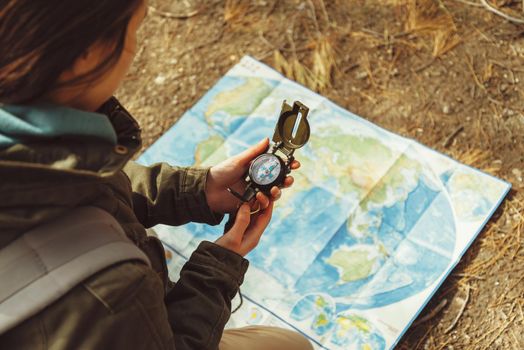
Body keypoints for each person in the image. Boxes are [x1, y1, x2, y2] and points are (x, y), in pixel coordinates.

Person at [0, 0, 313, 349]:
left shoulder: (31, 148)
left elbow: (85, 189)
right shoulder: (110, 295)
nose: (136, 47)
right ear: (84, 52)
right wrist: (218, 267)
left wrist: (199, 190)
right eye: (135, 28)